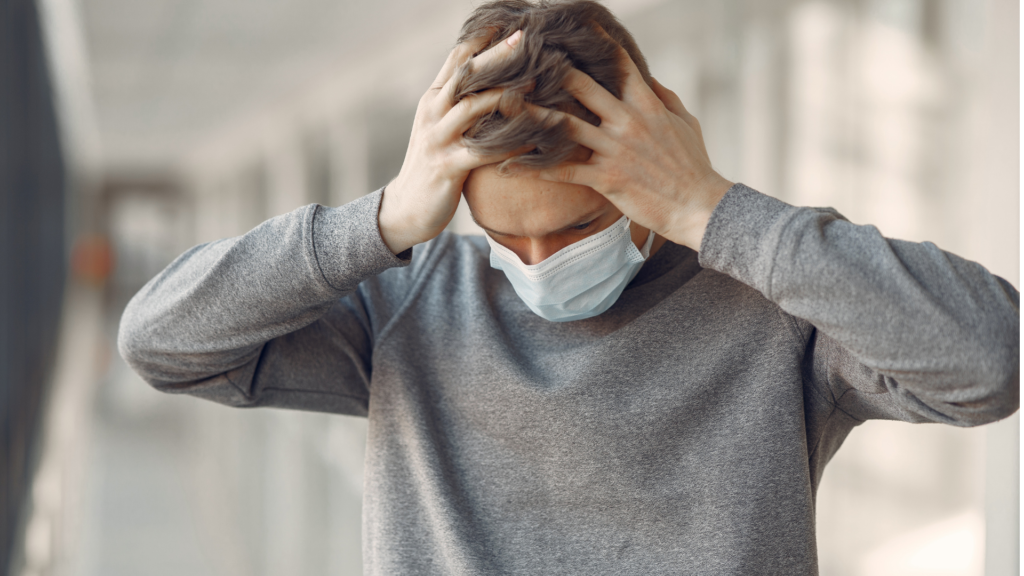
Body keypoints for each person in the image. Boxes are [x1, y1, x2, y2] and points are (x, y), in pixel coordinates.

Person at [118, 0, 1019, 574]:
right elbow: (162, 342)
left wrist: (716, 209)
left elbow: (989, 363)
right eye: (504, 233)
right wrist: (382, 221)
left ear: (652, 169)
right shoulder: (407, 304)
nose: (540, 262)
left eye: (580, 227)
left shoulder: (778, 308)